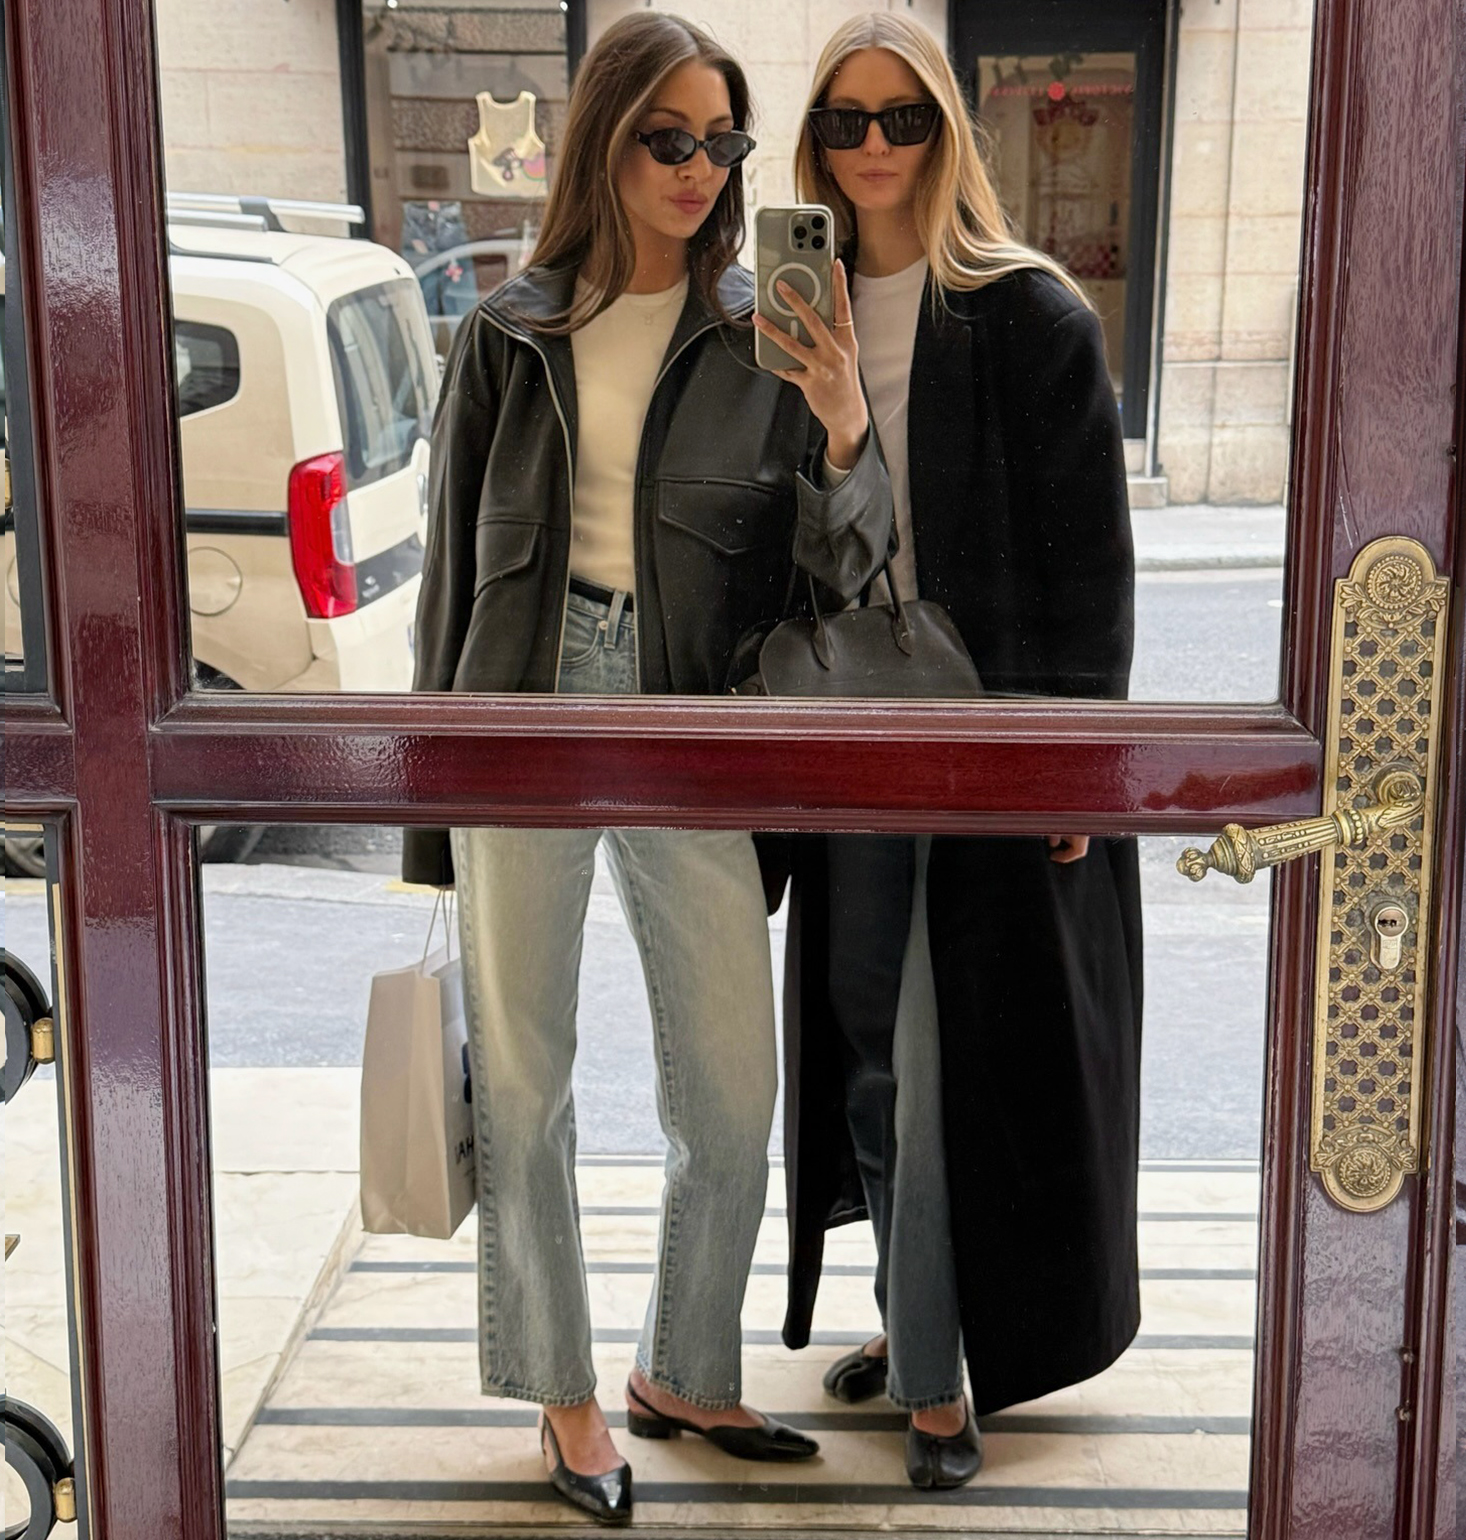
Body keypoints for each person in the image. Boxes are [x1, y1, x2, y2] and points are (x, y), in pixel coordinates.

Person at [404, 13, 890, 1525]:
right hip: (525, 710)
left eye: (722, 141)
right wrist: (434, 817)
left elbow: (848, 578)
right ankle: (565, 1396)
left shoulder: (768, 329)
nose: (698, 167)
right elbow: (447, 578)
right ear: (605, 141)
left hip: (691, 719)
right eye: (666, 136)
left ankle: (687, 1364)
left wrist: (841, 423)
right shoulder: (508, 331)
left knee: (732, 1094)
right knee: (532, 1086)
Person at [756, 12, 1143, 1493]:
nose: (869, 149)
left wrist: (1072, 766)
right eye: (844, 122)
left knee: (941, 1052)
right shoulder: (796, 311)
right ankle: (912, 1320)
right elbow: (790, 551)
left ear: (946, 134)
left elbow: (1091, 571)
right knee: (861, 1037)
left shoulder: (1032, 316)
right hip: (846, 731)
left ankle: (933, 1376)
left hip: (982, 750)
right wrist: (829, 415)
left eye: (899, 120)